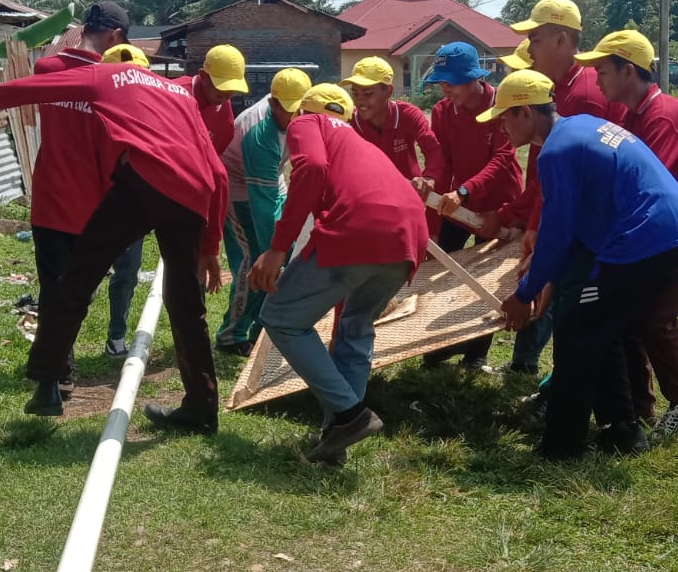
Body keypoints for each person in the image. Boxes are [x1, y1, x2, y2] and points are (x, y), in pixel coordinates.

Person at [0, 59, 227, 430]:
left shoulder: (107, 74)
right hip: (195, 193)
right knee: (186, 303)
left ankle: (47, 385)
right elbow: (218, 171)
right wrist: (210, 245)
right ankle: (202, 408)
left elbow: (28, 89)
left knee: (76, 281)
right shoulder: (178, 93)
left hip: (146, 182)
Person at [486, 71, 678, 460]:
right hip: (672, 232)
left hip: (647, 240)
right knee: (602, 328)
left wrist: (525, 294)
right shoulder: (579, 127)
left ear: (527, 113)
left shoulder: (555, 152)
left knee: (578, 331)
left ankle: (562, 446)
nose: (502, 126)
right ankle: (622, 431)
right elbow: (574, 228)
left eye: (505, 117)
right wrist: (548, 280)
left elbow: (556, 233)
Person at [251, 84, 429, 466]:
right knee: (356, 327)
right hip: (409, 236)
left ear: (304, 111)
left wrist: (279, 248)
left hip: (361, 230)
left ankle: (350, 415)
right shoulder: (359, 141)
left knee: (281, 318)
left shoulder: (309, 122)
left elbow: (312, 167)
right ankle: (337, 441)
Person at [579, 30, 678, 436]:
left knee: (654, 318)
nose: (597, 79)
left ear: (629, 71)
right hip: (654, 237)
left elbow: (642, 185)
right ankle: (638, 412)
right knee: (630, 318)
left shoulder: (663, 115)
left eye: (603, 70)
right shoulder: (630, 115)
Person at [494, 0, 625, 374]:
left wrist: (541, 227)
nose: (529, 49)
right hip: (571, 213)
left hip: (595, 221)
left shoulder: (583, 95)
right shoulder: (555, 89)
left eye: (535, 39)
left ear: (562, 41)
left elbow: (568, 183)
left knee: (575, 302)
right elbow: (544, 174)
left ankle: (563, 386)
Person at [27, 1, 145, 380]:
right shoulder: (115, 82)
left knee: (53, 289)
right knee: (80, 290)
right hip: (97, 204)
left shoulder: (46, 69)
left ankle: (58, 368)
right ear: (114, 36)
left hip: (49, 198)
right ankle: (60, 365)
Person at [418, 42, 522, 370]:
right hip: (457, 206)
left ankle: (477, 352)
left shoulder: (499, 105)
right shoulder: (442, 112)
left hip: (497, 207)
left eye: (451, 83)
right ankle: (441, 343)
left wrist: (465, 190)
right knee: (440, 270)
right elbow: (444, 159)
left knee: (489, 280)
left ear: (473, 79)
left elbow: (503, 158)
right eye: (441, 83)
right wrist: (437, 195)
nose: (445, 90)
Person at [216, 67, 312, 355]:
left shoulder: (296, 113)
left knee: (281, 253)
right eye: (289, 110)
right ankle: (231, 336)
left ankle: (262, 326)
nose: (296, 117)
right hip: (239, 191)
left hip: (271, 181)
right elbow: (262, 206)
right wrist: (274, 252)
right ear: (272, 103)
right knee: (255, 261)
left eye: (301, 109)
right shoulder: (260, 136)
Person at [340, 56, 442, 185]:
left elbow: (433, 150)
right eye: (355, 93)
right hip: (370, 194)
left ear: (389, 91)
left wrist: (429, 178)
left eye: (368, 93)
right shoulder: (350, 123)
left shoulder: (407, 115)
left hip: (409, 193)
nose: (360, 101)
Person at [190, 44, 249, 155]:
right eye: (221, 88)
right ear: (203, 76)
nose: (226, 97)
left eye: (232, 91)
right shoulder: (177, 95)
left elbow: (219, 148)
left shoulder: (223, 103)